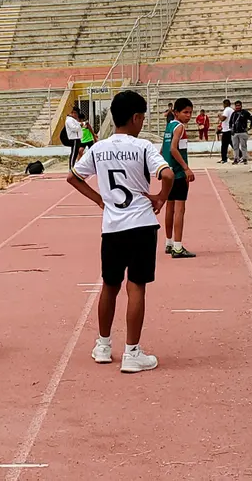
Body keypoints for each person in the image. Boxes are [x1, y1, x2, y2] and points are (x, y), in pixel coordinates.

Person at [67, 90, 174, 374]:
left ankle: (103, 346)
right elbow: (167, 174)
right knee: (136, 286)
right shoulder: (143, 147)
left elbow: (73, 177)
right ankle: (132, 352)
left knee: (109, 285)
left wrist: (99, 199)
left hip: (112, 227)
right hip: (140, 224)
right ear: (137, 117)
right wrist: (160, 198)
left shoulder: (98, 148)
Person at [161, 98, 196, 259]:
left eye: (190, 112)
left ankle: (168, 243)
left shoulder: (169, 126)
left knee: (170, 207)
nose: (188, 116)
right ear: (176, 112)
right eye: (185, 112)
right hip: (178, 173)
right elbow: (174, 149)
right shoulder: (179, 127)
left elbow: (163, 149)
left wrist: (161, 166)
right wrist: (186, 168)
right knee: (179, 209)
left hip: (168, 171)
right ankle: (178, 246)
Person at [229, 101, 252, 165]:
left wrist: (249, 127)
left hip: (243, 132)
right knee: (235, 147)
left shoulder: (245, 113)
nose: (237, 107)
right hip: (235, 133)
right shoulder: (233, 114)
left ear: (241, 106)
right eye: (236, 106)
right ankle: (236, 158)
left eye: (239, 105)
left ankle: (244, 159)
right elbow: (230, 122)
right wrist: (231, 129)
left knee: (243, 146)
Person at [64, 105, 83, 170]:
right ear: (73, 113)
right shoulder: (69, 120)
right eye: (76, 114)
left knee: (75, 153)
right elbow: (73, 128)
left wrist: (81, 124)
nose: (77, 115)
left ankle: (72, 166)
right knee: (74, 154)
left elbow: (78, 125)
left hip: (77, 138)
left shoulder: (73, 120)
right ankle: (71, 167)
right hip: (74, 138)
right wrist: (80, 125)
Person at [218, 99, 234, 164]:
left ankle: (224, 159)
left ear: (224, 104)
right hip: (229, 129)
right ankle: (241, 155)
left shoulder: (227, 110)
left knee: (224, 145)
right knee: (232, 144)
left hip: (226, 130)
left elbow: (223, 118)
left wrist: (219, 115)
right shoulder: (232, 110)